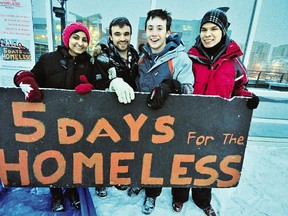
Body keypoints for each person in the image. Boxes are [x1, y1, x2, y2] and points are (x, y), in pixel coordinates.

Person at [13, 22, 94, 212]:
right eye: (76, 38)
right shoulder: (48, 59)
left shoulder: (88, 64)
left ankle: (73, 190)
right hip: (49, 120)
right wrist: (25, 81)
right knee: (52, 157)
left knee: (74, 156)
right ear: (66, 39)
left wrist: (91, 89)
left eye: (84, 40)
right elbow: (28, 76)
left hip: (76, 121)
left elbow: (99, 86)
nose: (80, 43)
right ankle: (56, 192)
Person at [186, 8, 260, 216]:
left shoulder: (234, 64)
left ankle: (202, 200)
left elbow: (239, 89)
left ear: (224, 31)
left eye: (213, 29)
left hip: (215, 125)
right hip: (189, 121)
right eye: (204, 29)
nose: (207, 34)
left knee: (207, 162)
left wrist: (247, 98)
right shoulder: (190, 58)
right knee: (183, 159)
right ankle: (179, 195)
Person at [136, 9, 194, 215]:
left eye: (159, 28)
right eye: (150, 28)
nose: (154, 33)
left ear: (168, 32)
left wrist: (173, 85)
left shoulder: (180, 58)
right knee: (142, 156)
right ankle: (140, 182)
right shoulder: (142, 57)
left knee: (158, 160)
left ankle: (152, 195)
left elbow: (189, 89)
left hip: (166, 123)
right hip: (142, 120)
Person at [93, 17, 139, 197]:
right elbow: (95, 82)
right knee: (104, 146)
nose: (122, 38)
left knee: (123, 146)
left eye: (126, 34)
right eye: (117, 34)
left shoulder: (135, 56)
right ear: (110, 36)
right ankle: (100, 181)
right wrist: (112, 82)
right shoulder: (102, 57)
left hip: (129, 109)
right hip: (107, 111)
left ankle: (119, 176)